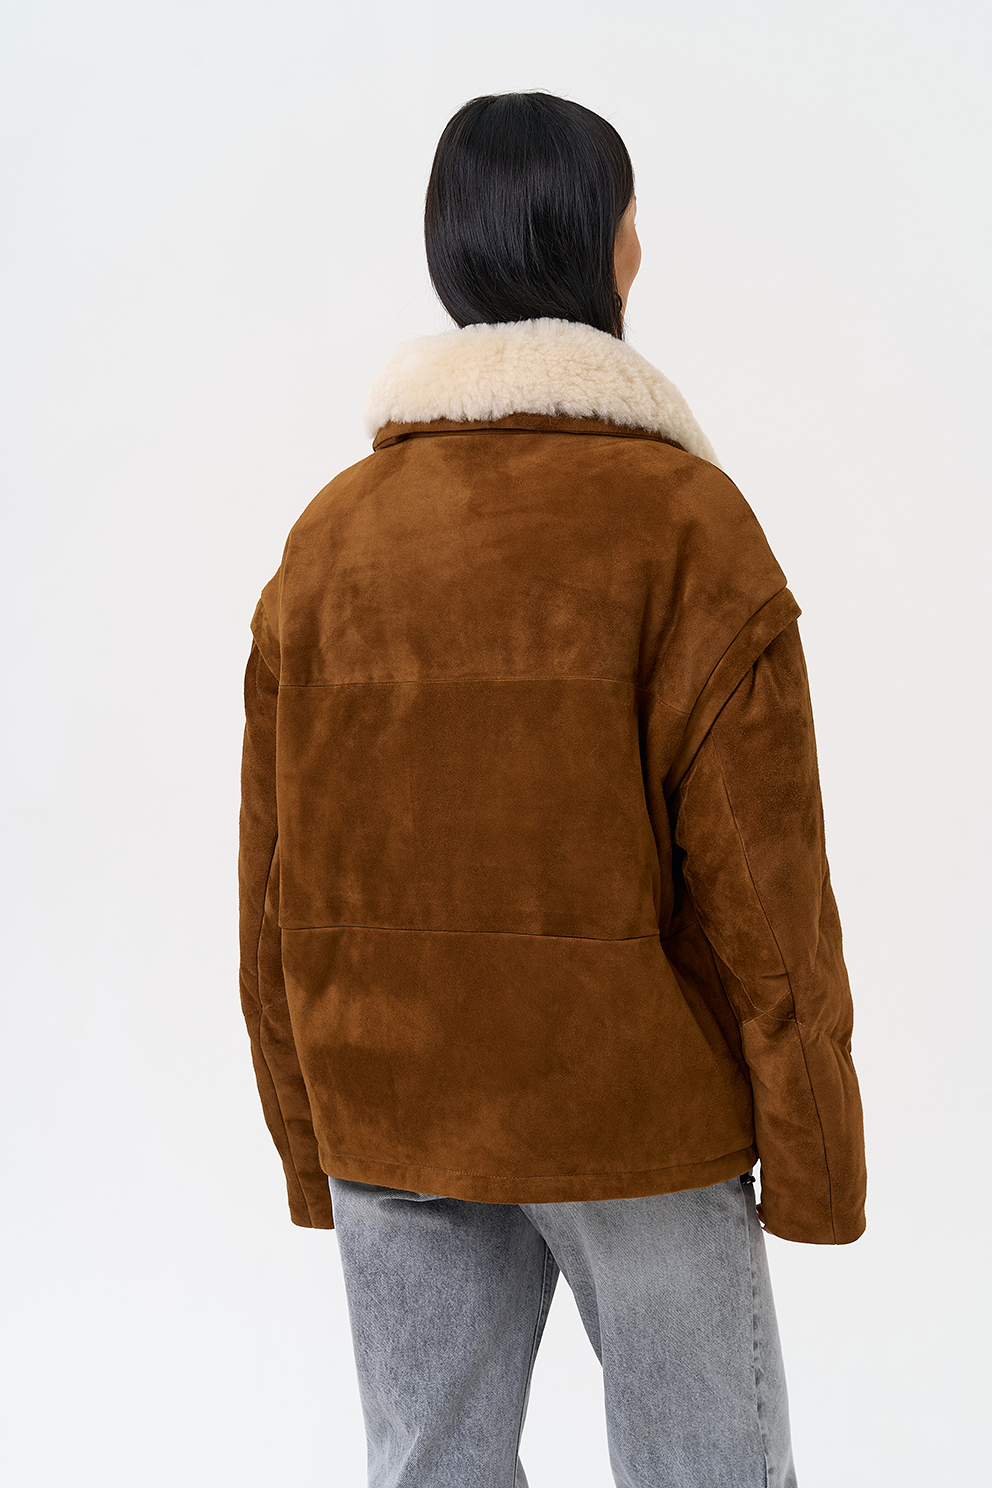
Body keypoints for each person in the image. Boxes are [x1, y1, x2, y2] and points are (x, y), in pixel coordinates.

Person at [238, 90, 868, 1488]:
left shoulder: (327, 542)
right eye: (634, 217)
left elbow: (272, 885)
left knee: (431, 1471)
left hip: (394, 1107)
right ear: (612, 245)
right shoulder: (686, 527)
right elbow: (768, 882)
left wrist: (307, 1133)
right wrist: (815, 1154)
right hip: (640, 1116)